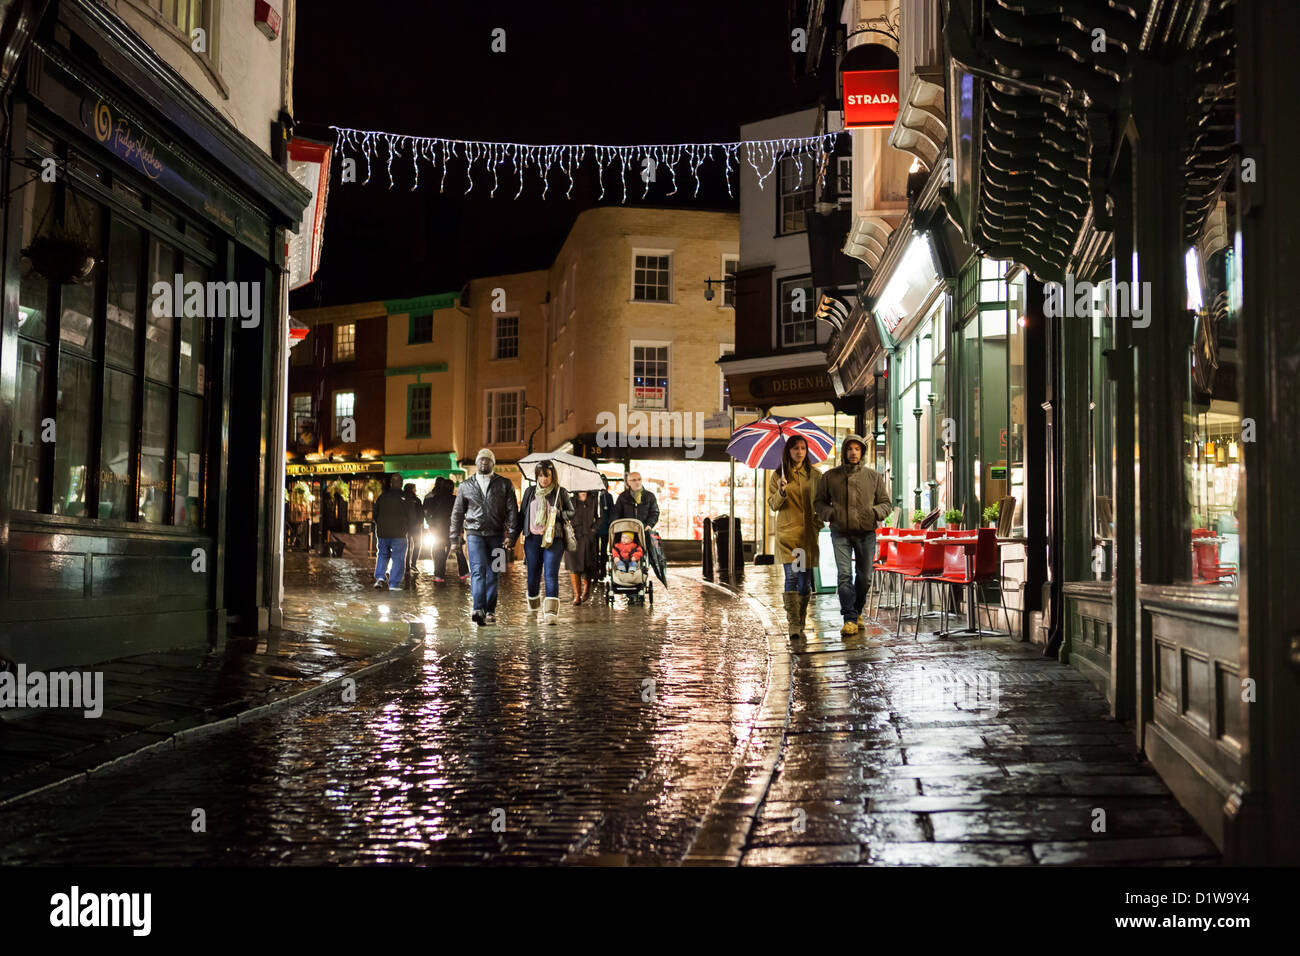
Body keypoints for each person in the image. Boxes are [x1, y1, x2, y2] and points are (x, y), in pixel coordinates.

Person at [813, 434, 892, 636]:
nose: (853, 452)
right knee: (844, 575)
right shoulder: (830, 477)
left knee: (865, 578)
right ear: (844, 452)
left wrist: (874, 513)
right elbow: (819, 503)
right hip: (840, 533)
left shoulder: (873, 477)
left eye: (857, 449)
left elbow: (886, 503)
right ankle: (849, 618)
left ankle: (857, 611)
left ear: (862, 452)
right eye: (850, 449)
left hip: (866, 533)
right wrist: (831, 514)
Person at [450, 448, 519, 626]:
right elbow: (457, 513)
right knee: (478, 571)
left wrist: (511, 535)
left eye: (487, 460)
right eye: (481, 459)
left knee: (494, 573)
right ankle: (478, 609)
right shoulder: (466, 485)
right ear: (476, 462)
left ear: (493, 463)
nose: (484, 462)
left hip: (498, 536)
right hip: (474, 535)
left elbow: (513, 511)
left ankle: (490, 611)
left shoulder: (505, 484)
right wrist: (453, 538)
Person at [767, 437, 822, 641]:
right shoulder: (778, 475)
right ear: (788, 451)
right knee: (791, 577)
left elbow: (823, 502)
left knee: (805, 582)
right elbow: (773, 505)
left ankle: (800, 620)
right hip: (788, 537)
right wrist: (781, 491)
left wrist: (820, 521)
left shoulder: (815, 475)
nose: (799, 452)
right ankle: (793, 624)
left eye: (803, 448)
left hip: (807, 537)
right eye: (795, 448)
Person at [518, 460, 574, 626]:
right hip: (532, 539)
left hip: (553, 539)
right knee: (533, 574)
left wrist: (558, 513)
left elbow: (571, 512)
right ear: (537, 476)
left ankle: (550, 613)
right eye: (540, 476)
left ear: (552, 476)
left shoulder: (560, 492)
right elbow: (522, 515)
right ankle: (533, 607)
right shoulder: (529, 492)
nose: (543, 479)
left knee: (550, 574)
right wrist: (513, 536)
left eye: (546, 475)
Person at [424, 477, 468, 582]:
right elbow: (461, 515)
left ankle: (439, 575)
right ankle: (463, 572)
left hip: (439, 530)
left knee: (439, 551)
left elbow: (427, 513)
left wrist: (431, 525)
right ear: (452, 488)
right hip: (454, 529)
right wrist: (461, 531)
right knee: (458, 551)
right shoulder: (456, 500)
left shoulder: (434, 499)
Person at [373, 476, 410, 591]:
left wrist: (380, 524)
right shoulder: (405, 498)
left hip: (383, 532)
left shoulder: (382, 497)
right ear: (401, 483)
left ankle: (379, 577)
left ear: (390, 483)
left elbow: (375, 514)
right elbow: (411, 515)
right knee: (398, 557)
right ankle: (394, 583)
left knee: (382, 554)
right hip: (399, 532)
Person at [565, 489, 600, 604]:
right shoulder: (570, 500)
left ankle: (586, 590)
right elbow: (565, 516)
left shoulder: (594, 500)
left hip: (588, 537)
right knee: (573, 565)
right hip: (574, 537)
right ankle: (577, 595)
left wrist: (593, 529)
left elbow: (599, 517)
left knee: (587, 565)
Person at [403, 482, 424, 576]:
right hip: (416, 526)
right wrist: (420, 522)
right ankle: (413, 563)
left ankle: (407, 566)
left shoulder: (402, 500)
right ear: (412, 489)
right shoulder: (417, 500)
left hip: (405, 526)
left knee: (406, 546)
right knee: (417, 544)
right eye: (414, 489)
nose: (415, 490)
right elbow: (421, 513)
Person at [595, 476, 616, 571]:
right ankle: (594, 570)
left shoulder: (608, 496)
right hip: (594, 527)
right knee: (594, 550)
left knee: (604, 550)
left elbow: (612, 511)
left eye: (604, 482)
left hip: (605, 527)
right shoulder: (593, 496)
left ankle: (603, 570)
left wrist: (610, 523)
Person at [321, 483, 347, 556]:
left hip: (335, 524)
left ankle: (332, 552)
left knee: (333, 539)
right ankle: (330, 551)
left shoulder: (338, 502)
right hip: (330, 523)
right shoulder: (330, 502)